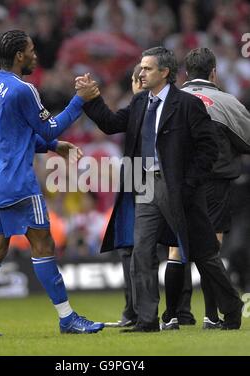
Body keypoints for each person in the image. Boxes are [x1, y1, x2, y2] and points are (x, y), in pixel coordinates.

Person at [76, 46, 243, 332]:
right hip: (145, 185)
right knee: (142, 250)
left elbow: (208, 148)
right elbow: (112, 123)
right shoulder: (141, 103)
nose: (141, 72)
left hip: (180, 189)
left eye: (148, 68)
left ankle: (232, 306)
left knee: (204, 253)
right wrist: (92, 99)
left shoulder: (187, 104)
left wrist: (190, 183)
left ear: (165, 72)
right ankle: (147, 319)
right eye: (141, 67)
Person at [0, 30, 104, 336]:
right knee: (43, 243)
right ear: (19, 55)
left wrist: (54, 146)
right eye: (31, 50)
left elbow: (13, 134)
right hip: (17, 181)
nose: (35, 55)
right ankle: (67, 318)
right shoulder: (23, 89)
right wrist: (79, 101)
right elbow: (51, 125)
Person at [164, 47, 250, 329]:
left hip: (174, 182)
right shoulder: (226, 102)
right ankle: (212, 316)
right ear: (213, 72)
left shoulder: (170, 100)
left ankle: (175, 315)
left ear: (185, 73)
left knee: (177, 248)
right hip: (215, 184)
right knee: (211, 248)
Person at [104, 63, 142, 328]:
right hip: (133, 179)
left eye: (138, 76)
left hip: (152, 182)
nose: (134, 81)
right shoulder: (136, 106)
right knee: (129, 248)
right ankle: (133, 311)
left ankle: (174, 311)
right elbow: (111, 124)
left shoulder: (151, 105)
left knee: (140, 249)